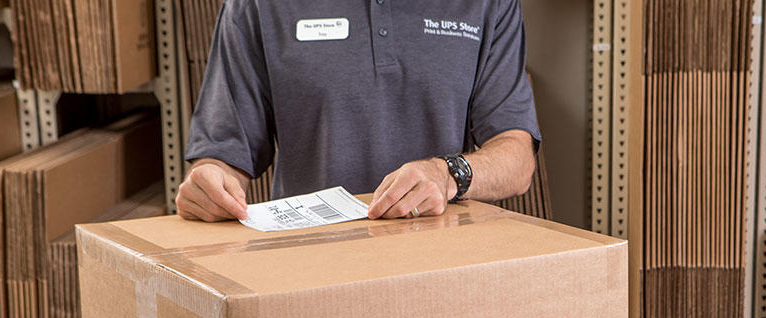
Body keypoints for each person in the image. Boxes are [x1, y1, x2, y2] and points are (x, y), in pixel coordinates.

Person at [177, 0, 541, 222]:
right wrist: (210, 182)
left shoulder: (488, 3)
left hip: (441, 266)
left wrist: (446, 174)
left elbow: (517, 157)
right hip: (310, 271)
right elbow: (223, 157)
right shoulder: (256, 5)